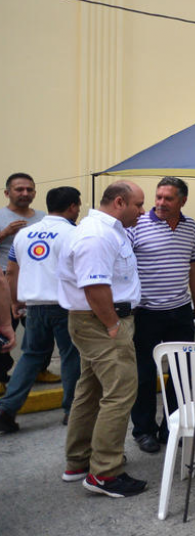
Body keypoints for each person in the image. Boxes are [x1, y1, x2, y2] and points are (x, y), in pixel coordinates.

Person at [57, 180, 147, 498]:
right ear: (120, 202)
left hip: (99, 321)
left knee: (91, 390)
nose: (143, 210)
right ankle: (104, 473)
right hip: (101, 321)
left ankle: (78, 461)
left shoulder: (109, 230)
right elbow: (95, 287)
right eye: (139, 204)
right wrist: (112, 327)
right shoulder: (97, 234)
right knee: (120, 393)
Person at [127, 177, 195, 455]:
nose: (160, 203)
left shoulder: (190, 226)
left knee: (180, 373)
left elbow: (194, 266)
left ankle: (173, 426)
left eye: (168, 198)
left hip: (180, 312)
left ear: (182, 201)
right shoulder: (137, 225)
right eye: (158, 197)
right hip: (145, 313)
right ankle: (144, 430)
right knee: (145, 375)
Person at [0, 187, 82, 433]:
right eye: (77, 205)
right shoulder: (74, 233)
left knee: (31, 355)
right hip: (65, 305)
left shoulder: (24, 234)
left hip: (34, 306)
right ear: (72, 207)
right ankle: (71, 410)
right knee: (71, 357)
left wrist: (15, 302)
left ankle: (7, 408)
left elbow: (12, 271)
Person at [0, 173, 50, 394]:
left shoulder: (43, 217)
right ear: (7, 193)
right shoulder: (1, 215)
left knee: (43, 330)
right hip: (4, 280)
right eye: (19, 189)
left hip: (35, 282)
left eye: (29, 189)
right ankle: (1, 376)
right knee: (3, 329)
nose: (25, 193)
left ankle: (41, 369)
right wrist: (5, 233)